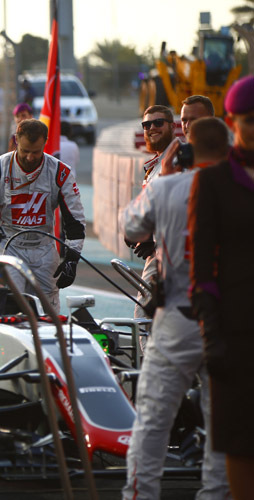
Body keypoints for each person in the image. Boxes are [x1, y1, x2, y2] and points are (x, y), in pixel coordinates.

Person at [121, 116, 231, 500]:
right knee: (222, 423)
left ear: (186, 149)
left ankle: (140, 494)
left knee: (152, 419)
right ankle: (216, 494)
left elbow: (130, 227)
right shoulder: (242, 190)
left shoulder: (167, 187)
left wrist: (165, 174)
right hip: (228, 322)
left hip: (177, 319)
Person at [188, 75, 254, 498]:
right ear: (232, 121)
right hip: (236, 332)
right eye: (249, 120)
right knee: (240, 438)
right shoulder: (212, 182)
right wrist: (212, 338)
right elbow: (202, 270)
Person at [0, 119, 85, 310]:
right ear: (16, 140)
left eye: (36, 152)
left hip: (44, 249)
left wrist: (71, 259)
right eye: (25, 151)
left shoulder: (60, 172)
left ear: (45, 143)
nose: (29, 157)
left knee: (49, 311)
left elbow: (75, 220)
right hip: (9, 247)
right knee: (8, 304)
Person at [130, 105, 177, 319]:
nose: (152, 128)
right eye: (146, 124)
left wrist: (153, 236)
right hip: (159, 253)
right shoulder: (155, 164)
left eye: (158, 123)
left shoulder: (177, 160)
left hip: (173, 254)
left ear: (172, 126)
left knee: (143, 319)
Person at [160, 95, 215, 176]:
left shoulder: (227, 157)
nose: (187, 125)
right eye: (184, 120)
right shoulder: (175, 161)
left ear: (210, 120)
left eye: (194, 120)